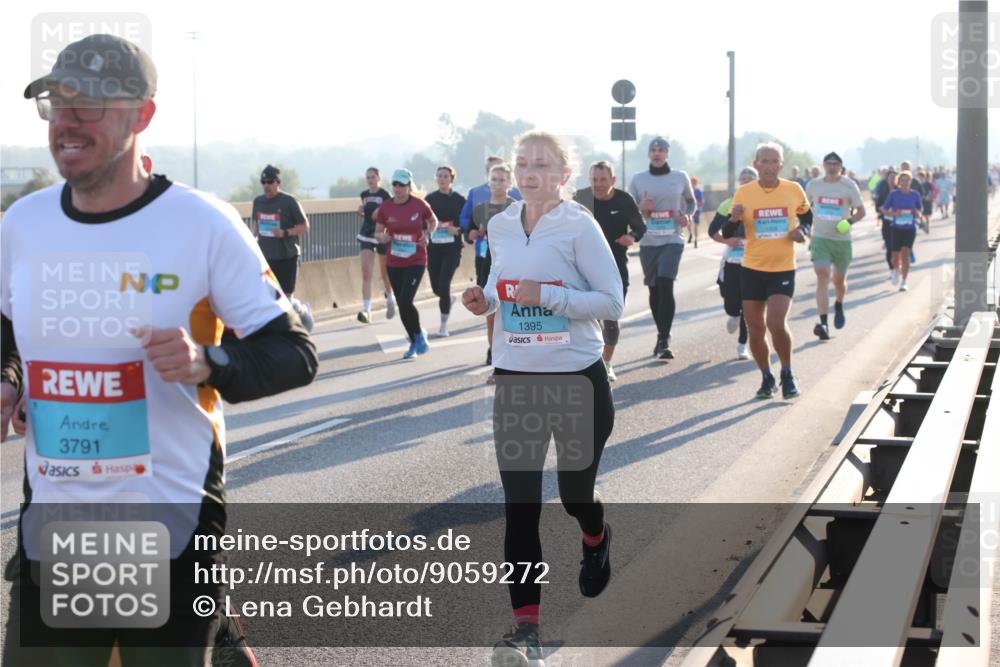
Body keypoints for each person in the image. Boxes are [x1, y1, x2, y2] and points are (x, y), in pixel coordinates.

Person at [2, 33, 318, 666]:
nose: (66, 121)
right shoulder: (23, 222)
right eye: (56, 104)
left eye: (87, 105)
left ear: (141, 115)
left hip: (167, 526)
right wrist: (9, 376)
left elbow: (295, 353)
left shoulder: (201, 224)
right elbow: (7, 325)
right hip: (57, 528)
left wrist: (209, 362)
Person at [462, 131, 622, 667]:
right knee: (520, 509)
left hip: (577, 378)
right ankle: (525, 632)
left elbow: (612, 302)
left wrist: (549, 296)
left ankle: (594, 535)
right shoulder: (502, 224)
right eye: (522, 164)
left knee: (576, 495)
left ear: (563, 176)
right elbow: (501, 284)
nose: (529, 173)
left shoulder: (579, 224)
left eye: (542, 166)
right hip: (517, 380)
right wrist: (482, 299)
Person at [724, 142, 812, 400]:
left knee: (776, 322)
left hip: (783, 268)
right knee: (755, 328)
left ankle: (787, 372)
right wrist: (734, 219)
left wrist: (802, 232)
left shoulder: (793, 189)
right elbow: (728, 233)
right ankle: (767, 376)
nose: (769, 166)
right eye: (764, 161)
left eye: (774, 161)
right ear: (756, 164)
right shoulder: (744, 193)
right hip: (751, 268)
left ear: (781, 165)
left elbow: (807, 216)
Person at [573, 160, 646, 381]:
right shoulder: (581, 199)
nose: (598, 184)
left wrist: (631, 237)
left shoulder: (624, 200)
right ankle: (589, 364)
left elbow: (640, 226)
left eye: (603, 179)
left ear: (612, 180)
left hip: (615, 268)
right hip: (583, 270)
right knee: (588, 320)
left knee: (611, 319)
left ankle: (606, 362)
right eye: (594, 179)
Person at [628, 136, 696, 361]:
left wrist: (687, 215)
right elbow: (631, 211)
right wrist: (641, 207)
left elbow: (691, 201)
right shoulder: (638, 179)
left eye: (660, 149)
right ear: (649, 154)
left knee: (666, 283)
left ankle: (665, 339)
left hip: (673, 238)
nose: (656, 153)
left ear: (667, 154)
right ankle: (660, 334)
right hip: (648, 240)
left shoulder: (679, 176)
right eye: (653, 149)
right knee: (654, 289)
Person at [460, 156, 523, 369]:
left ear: (509, 183)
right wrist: (474, 233)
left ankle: (515, 357)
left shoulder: (517, 208)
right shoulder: (480, 208)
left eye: (501, 180)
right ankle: (496, 357)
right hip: (485, 261)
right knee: (490, 313)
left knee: (510, 312)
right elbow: (467, 234)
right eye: (493, 179)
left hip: (512, 264)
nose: (497, 183)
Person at [373, 168, 438, 358]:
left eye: (402, 185)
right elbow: (378, 231)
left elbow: (433, 221)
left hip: (416, 259)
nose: (398, 188)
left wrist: (427, 234)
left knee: (405, 300)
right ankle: (414, 338)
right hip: (394, 260)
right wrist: (381, 237)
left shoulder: (419, 205)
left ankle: (418, 336)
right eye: (395, 184)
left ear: (409, 187)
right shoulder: (386, 207)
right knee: (403, 305)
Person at [805, 152, 866, 340]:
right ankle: (823, 322)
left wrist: (848, 223)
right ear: (823, 165)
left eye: (835, 164)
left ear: (840, 166)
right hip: (820, 238)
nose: (832, 167)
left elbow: (861, 211)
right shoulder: (814, 185)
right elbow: (804, 208)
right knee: (822, 274)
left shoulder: (848, 185)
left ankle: (839, 303)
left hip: (841, 241)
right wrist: (805, 226)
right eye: (828, 163)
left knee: (839, 281)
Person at [709, 166, 758, 360]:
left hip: (753, 261)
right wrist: (727, 240)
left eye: (749, 178)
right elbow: (713, 231)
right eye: (742, 178)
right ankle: (733, 314)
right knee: (731, 302)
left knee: (748, 304)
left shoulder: (760, 204)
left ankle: (742, 344)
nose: (745, 181)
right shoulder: (728, 204)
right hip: (731, 259)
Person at [424, 165, 466, 337]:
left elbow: (467, 221)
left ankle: (443, 325)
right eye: (439, 176)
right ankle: (447, 299)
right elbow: (422, 220)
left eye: (445, 176)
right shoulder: (429, 199)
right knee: (436, 287)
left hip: (452, 248)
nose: (442, 179)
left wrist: (458, 229)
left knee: (444, 283)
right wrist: (426, 231)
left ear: (451, 179)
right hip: (434, 248)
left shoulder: (459, 200)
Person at [356, 167, 395, 323]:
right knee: (366, 274)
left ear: (379, 178)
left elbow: (392, 213)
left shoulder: (385, 195)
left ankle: (390, 299)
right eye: (368, 177)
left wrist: (381, 211)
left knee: (384, 274)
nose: (370, 180)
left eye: (373, 177)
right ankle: (367, 311)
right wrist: (360, 210)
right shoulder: (364, 195)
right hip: (366, 234)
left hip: (381, 235)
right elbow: (365, 212)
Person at [880, 170, 923, 292]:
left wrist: (918, 214)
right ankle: (896, 270)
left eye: (907, 180)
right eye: (902, 180)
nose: (905, 182)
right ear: (898, 182)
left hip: (909, 228)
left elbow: (920, 209)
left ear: (911, 181)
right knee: (894, 257)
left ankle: (904, 281)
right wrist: (894, 213)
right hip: (896, 228)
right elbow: (884, 209)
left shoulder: (915, 195)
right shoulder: (894, 194)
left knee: (905, 255)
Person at [874, 166, 898, 277]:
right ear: (887, 179)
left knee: (899, 248)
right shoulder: (883, 192)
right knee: (889, 247)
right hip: (887, 223)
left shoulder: (902, 191)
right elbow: (877, 206)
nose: (892, 180)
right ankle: (892, 269)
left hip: (901, 223)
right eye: (890, 177)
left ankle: (899, 265)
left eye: (894, 177)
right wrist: (884, 210)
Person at [689, 176, 704, 246]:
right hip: (690, 210)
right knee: (691, 223)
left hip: (696, 210)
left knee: (694, 224)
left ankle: (695, 238)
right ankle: (693, 236)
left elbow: (701, 201)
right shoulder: (689, 190)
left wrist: (695, 203)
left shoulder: (697, 191)